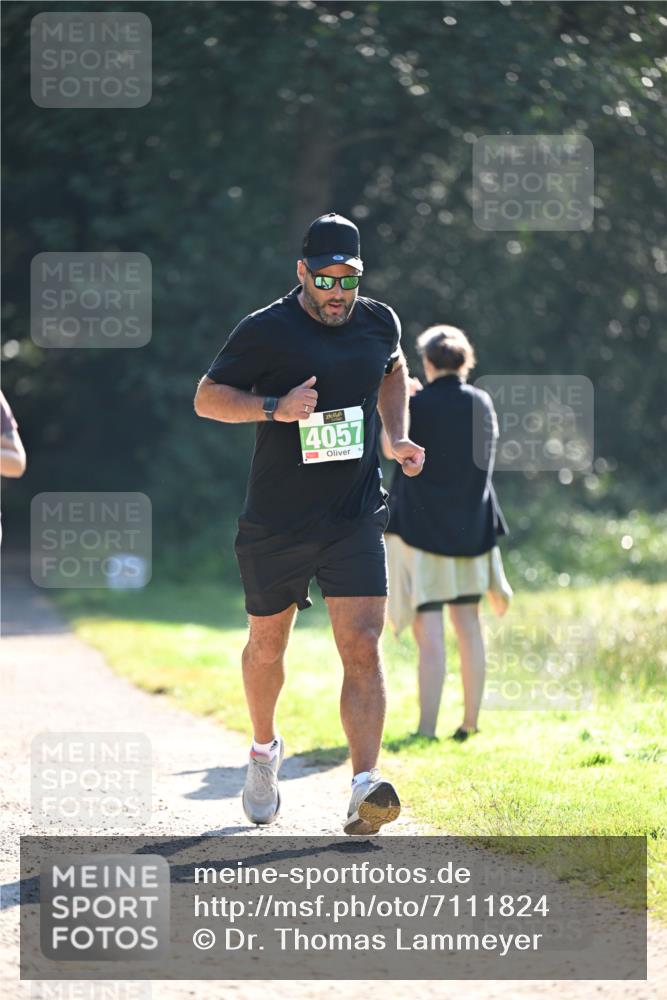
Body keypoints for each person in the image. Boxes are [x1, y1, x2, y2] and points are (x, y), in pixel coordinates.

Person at [194, 213, 425, 834]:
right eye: (324, 280)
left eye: (346, 280)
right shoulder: (266, 329)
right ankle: (265, 750)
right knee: (268, 646)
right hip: (277, 518)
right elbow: (207, 397)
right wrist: (276, 407)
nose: (336, 293)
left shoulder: (380, 321)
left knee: (363, 642)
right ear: (302, 272)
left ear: (359, 276)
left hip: (352, 513)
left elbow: (394, 369)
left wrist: (397, 437)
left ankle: (363, 786)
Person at [382, 325, 512, 741]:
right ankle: (470, 723)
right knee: (470, 628)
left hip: (422, 535)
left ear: (428, 362)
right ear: (465, 361)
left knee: (430, 635)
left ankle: (425, 729)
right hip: (472, 531)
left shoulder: (417, 403)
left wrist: (403, 402)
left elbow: (391, 448)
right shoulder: (482, 403)